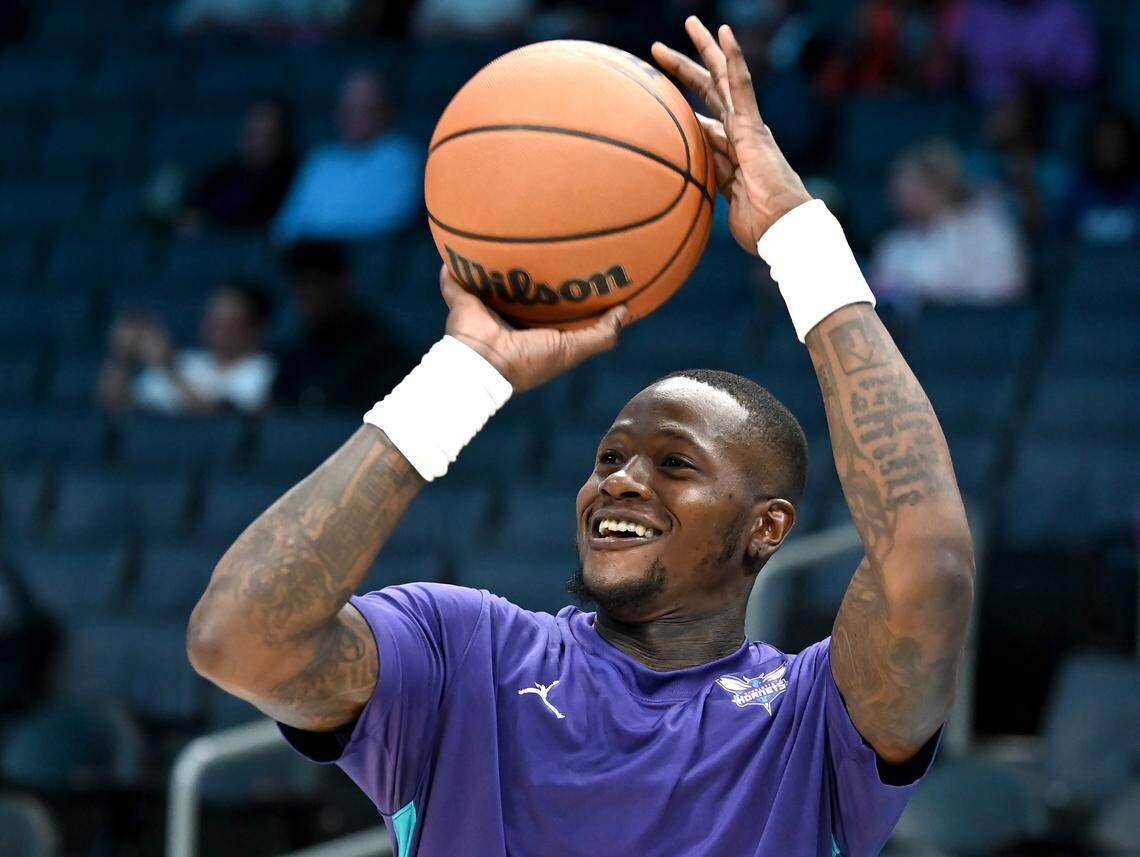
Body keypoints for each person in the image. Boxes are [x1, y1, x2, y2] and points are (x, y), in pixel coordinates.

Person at [188, 17, 973, 855]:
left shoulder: (813, 717)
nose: (622, 480)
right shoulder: (465, 654)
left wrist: (799, 240)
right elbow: (237, 639)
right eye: (609, 459)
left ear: (768, 525)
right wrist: (465, 373)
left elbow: (928, 566)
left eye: (675, 464)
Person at [271, 69, 421, 243]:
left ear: (385, 110)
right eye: (349, 109)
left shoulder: (402, 157)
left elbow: (392, 221)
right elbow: (286, 226)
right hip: (308, 261)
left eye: (365, 109)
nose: (355, 117)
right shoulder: (321, 160)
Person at [872, 139, 1027, 305]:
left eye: (909, 185)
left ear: (937, 187)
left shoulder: (989, 230)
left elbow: (1005, 290)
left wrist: (928, 292)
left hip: (977, 326)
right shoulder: (894, 244)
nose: (896, 194)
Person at [272, 240, 416, 411]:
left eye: (315, 282)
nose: (306, 294)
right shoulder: (294, 353)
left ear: (341, 283)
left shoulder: (383, 352)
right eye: (300, 284)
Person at [98, 281, 276, 415]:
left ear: (253, 327)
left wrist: (170, 367)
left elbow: (219, 419)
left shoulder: (264, 369)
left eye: (226, 321)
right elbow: (116, 404)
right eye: (213, 317)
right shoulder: (187, 361)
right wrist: (121, 359)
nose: (215, 327)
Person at [176, 97, 297, 235]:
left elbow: (260, 220)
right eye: (251, 133)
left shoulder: (293, 179)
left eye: (267, 136)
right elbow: (193, 208)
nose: (255, 143)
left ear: (282, 138)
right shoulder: (224, 173)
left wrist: (210, 223)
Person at [949, 0, 1097, 103]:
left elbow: (1085, 71)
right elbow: (957, 59)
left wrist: (1043, 76)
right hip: (979, 104)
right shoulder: (981, 9)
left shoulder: (1065, 13)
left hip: (1044, 105)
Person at [965, 93, 1071, 235]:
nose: (993, 119)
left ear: (1025, 120)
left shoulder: (1052, 170)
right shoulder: (977, 162)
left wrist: (1025, 183)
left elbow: (1044, 228)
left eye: (1004, 114)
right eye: (994, 112)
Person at [1063, 107, 1140, 245]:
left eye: (1117, 143)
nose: (1110, 150)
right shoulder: (1076, 191)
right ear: (1092, 146)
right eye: (1104, 143)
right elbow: (1059, 241)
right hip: (1084, 265)